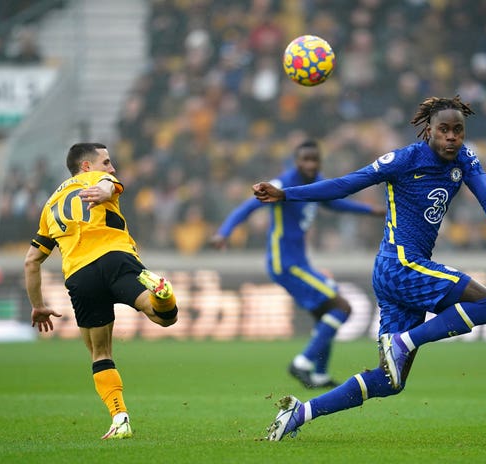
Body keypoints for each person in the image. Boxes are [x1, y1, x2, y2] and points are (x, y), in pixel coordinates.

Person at [253, 96, 486, 441]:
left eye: (458, 131)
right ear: (429, 132)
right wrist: (287, 194)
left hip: (399, 273)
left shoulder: (464, 158)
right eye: (444, 130)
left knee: (389, 382)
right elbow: (346, 183)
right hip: (401, 264)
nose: (452, 137)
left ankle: (300, 413)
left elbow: (485, 189)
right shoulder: (405, 159)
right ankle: (404, 341)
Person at [23, 142, 179, 440]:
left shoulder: (50, 205)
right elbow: (109, 183)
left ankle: (120, 419)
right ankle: (163, 294)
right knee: (164, 318)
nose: (112, 168)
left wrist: (38, 304)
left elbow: (32, 261)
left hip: (81, 275)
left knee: (100, 353)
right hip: (115, 257)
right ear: (87, 166)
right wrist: (108, 188)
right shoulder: (96, 179)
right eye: (106, 162)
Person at [210, 139, 384, 389]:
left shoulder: (315, 182)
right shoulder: (282, 184)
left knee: (326, 314)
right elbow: (247, 208)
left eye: (315, 160)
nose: (311, 164)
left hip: (298, 261)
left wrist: (370, 211)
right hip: (286, 262)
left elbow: (334, 202)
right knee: (343, 307)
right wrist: (224, 232)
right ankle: (302, 363)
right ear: (296, 161)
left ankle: (320, 374)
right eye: (306, 159)